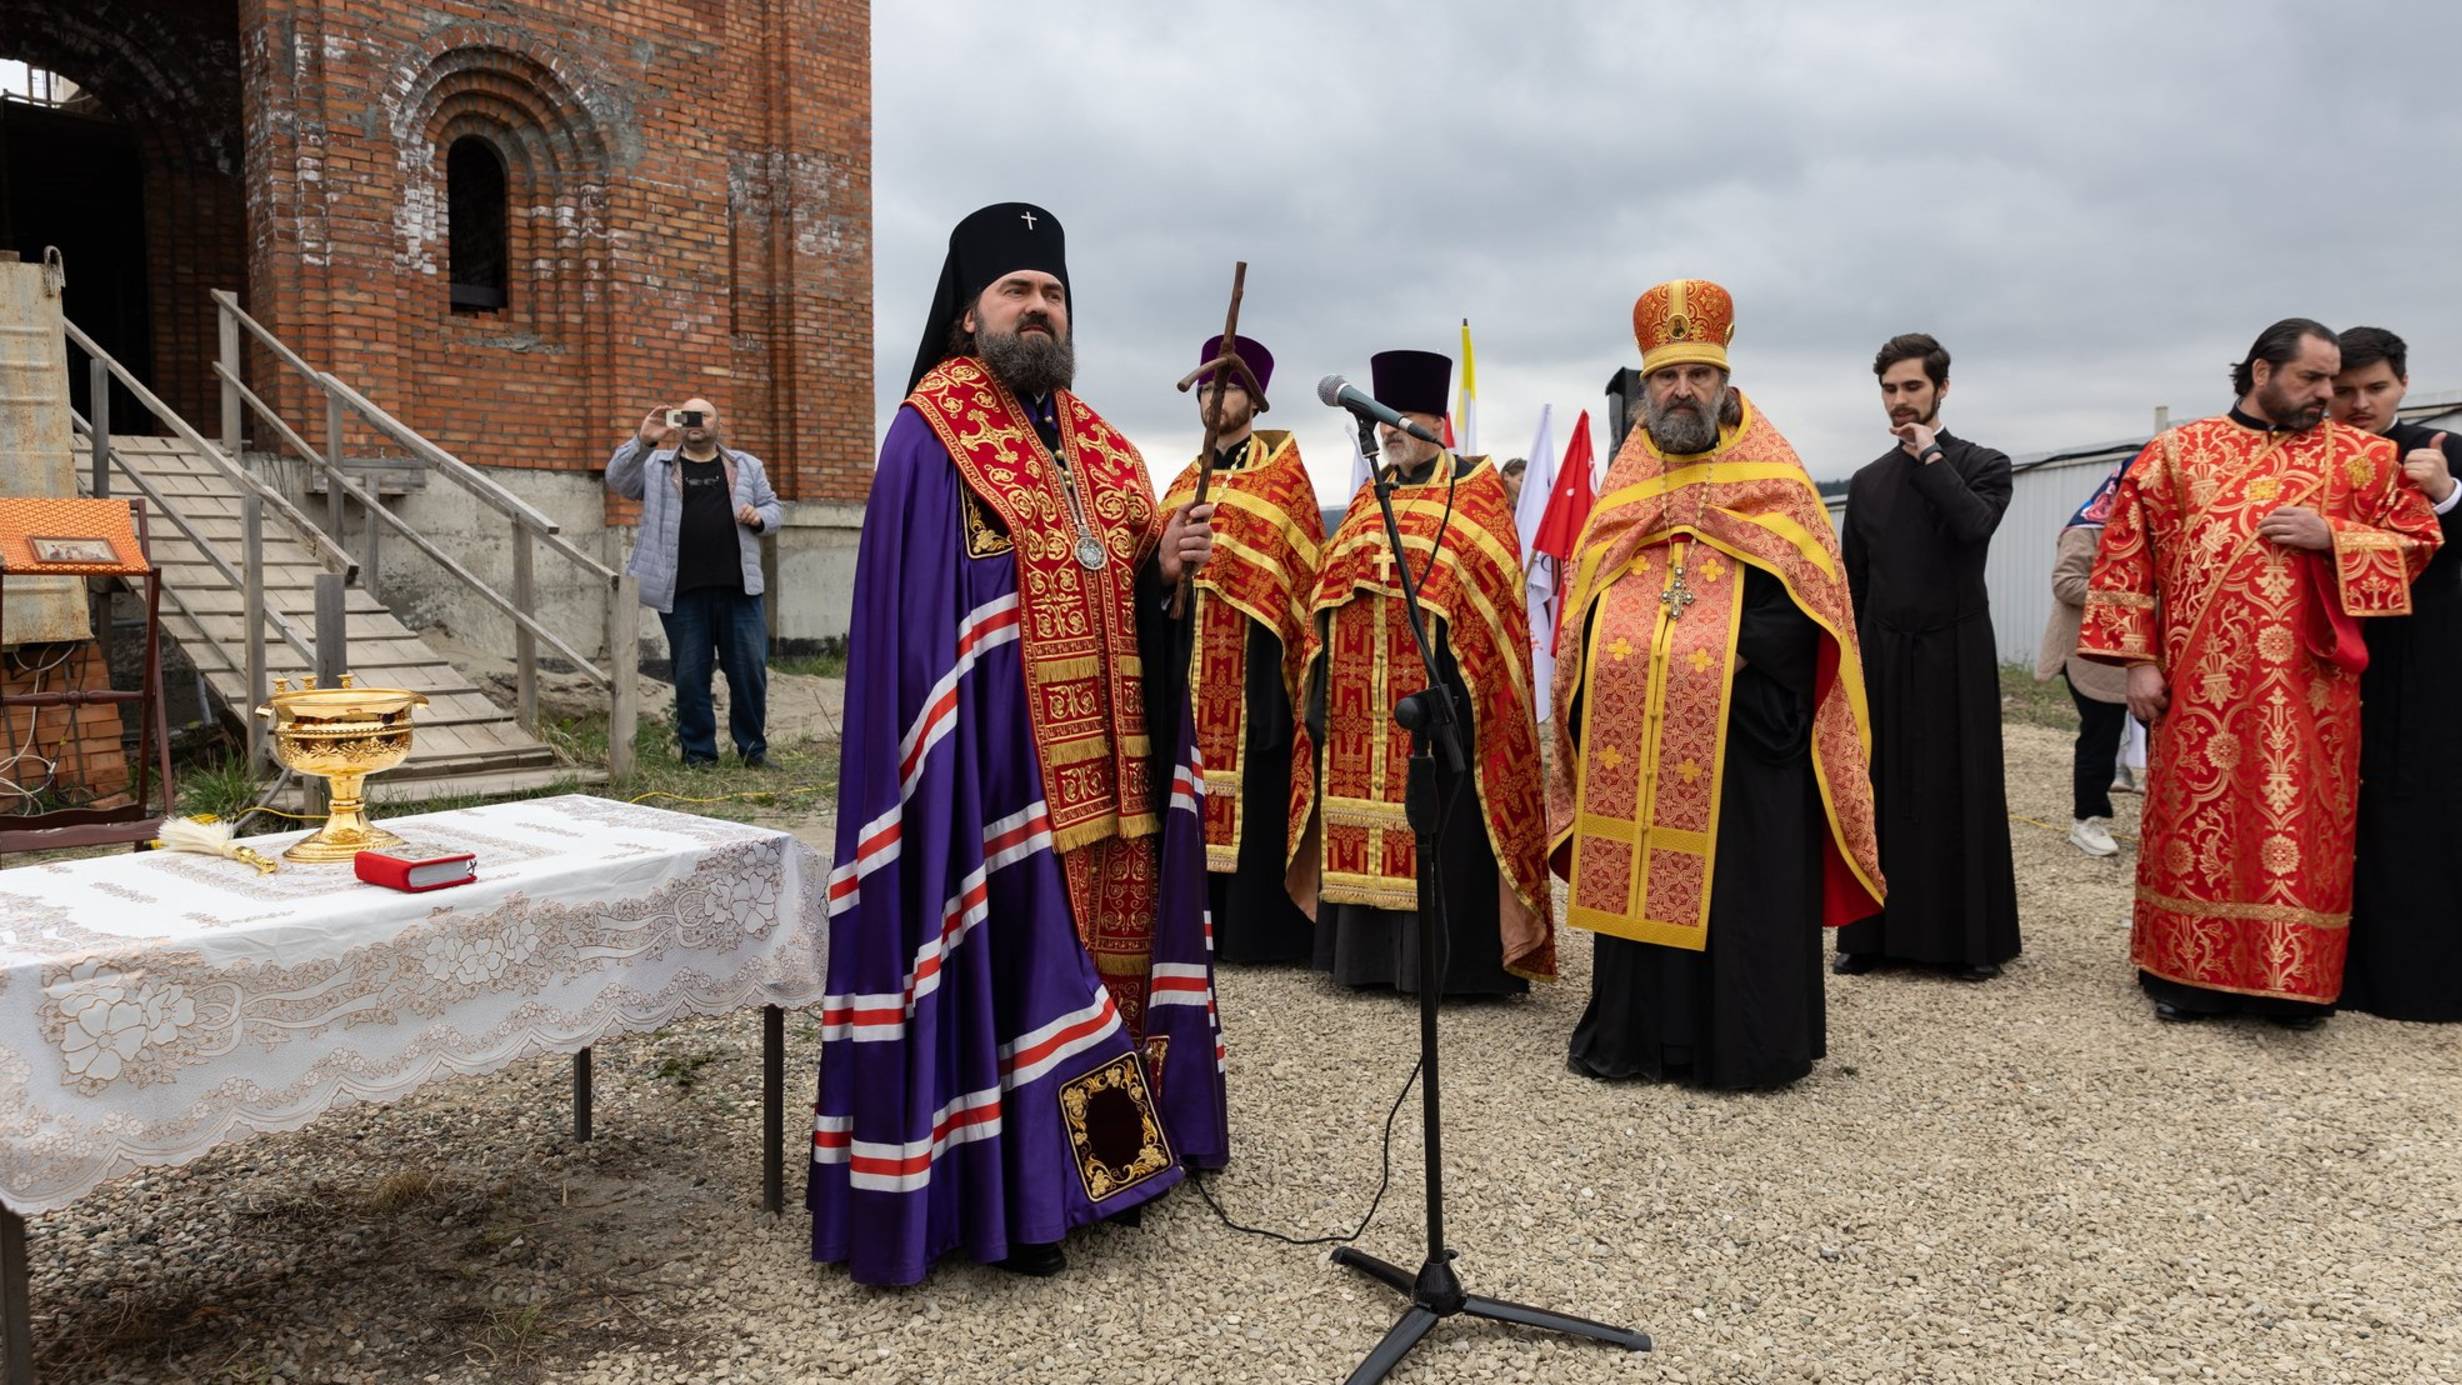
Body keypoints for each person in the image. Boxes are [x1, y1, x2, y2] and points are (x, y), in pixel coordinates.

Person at [810, 203, 1227, 1286]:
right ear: (966, 315)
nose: (1038, 309)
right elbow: (919, 630)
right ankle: (1023, 1202)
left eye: (1052, 294)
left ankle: (1113, 1164)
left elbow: (1127, 590)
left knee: (1106, 964)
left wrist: (1165, 569)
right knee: (1024, 974)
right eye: (1016, 293)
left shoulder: (1103, 444)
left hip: (1113, 771)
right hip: (995, 779)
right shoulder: (931, 432)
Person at [1549, 279, 1883, 1090]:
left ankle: (1741, 1045)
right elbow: (1586, 599)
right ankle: (1638, 1039)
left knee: (1742, 889)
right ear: (1646, 386)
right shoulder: (1626, 488)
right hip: (1641, 726)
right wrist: (1625, 653)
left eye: (1699, 373)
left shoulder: (1776, 478)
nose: (1683, 390)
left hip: (1741, 730)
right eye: (1667, 376)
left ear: (1724, 380)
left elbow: (1812, 600)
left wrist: (1720, 649)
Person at [2078, 318, 2441, 1027]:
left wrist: (2334, 536)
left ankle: (2293, 983)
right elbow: (2126, 560)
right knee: (2196, 826)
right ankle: (2185, 975)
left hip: (2313, 691)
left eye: (2332, 380)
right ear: (2259, 373)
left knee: (2300, 831)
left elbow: (2418, 542)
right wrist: (2138, 663)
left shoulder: (2364, 459)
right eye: (2311, 378)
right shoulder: (2176, 453)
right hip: (2196, 686)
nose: (2326, 393)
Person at [1287, 348, 1556, 996]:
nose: (1390, 432)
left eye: (1401, 419)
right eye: (1383, 423)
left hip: (1441, 707)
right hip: (1360, 709)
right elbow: (1326, 590)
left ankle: (1450, 970)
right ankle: (1367, 962)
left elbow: (1490, 603)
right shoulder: (1364, 502)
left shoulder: (1475, 490)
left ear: (1435, 422)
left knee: (1443, 826)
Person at [1836, 334, 2020, 980]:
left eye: (1912, 387)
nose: (1899, 400)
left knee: (1957, 789)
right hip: (1885, 654)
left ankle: (1968, 943)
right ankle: (1871, 937)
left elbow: (1972, 527)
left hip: (1957, 652)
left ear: (1942, 387)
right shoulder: (1866, 483)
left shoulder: (1984, 465)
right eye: (1889, 389)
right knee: (1881, 788)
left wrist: (1932, 457)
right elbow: (1854, 583)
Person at [1158, 334, 1323, 963]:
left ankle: (1252, 934)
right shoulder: (1179, 483)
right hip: (1188, 666)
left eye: (1225, 386)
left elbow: (1299, 575)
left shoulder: (1282, 480)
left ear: (1253, 399)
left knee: (1253, 790)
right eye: (1205, 386)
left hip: (1254, 674)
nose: (1212, 396)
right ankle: (1189, 929)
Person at [2330, 326, 2462, 1021]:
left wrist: (2447, 496)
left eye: (2374, 388)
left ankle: (2411, 982)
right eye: (2344, 390)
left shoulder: (2442, 452)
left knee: (2413, 812)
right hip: (2317, 665)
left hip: (2420, 665)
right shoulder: (2305, 459)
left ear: (2403, 385)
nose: (2358, 403)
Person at [606, 397, 782, 767]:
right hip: (682, 592)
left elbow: (774, 508)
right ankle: (699, 754)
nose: (696, 422)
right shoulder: (655, 465)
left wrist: (759, 516)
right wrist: (644, 439)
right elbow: (617, 480)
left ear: (719, 423)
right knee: (690, 677)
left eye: (704, 415)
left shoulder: (745, 465)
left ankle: (753, 750)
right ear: (678, 424)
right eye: (687, 416)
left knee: (749, 673)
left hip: (741, 591)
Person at [2034, 462, 2133, 858]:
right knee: (2100, 734)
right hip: (2089, 651)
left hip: (2134, 650)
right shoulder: (2087, 528)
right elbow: (2065, 582)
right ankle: (2086, 820)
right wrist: (2130, 596)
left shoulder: (2148, 530)